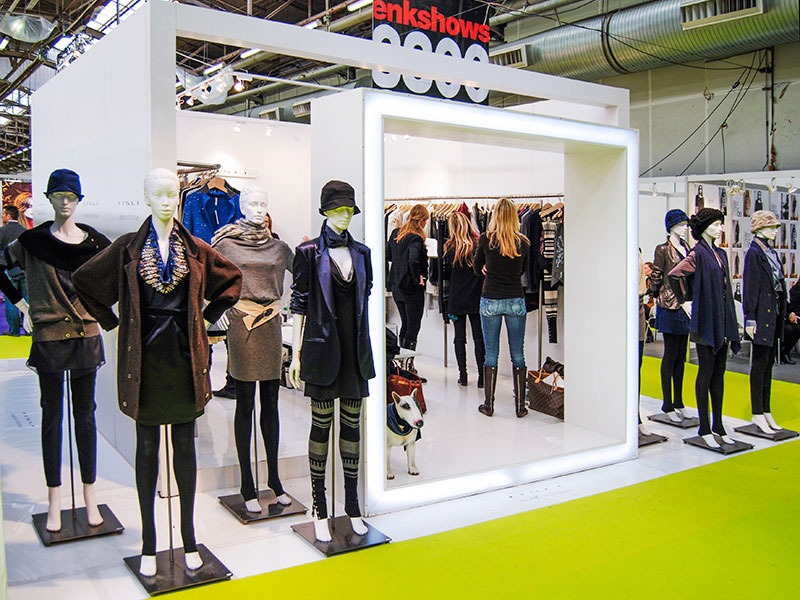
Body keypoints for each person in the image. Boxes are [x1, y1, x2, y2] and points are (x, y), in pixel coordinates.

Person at [73, 168, 242, 577]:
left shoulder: (197, 249)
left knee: (184, 450)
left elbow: (232, 281)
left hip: (184, 359)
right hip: (143, 362)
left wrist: (207, 316)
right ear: (146, 198)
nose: (167, 202)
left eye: (172, 195)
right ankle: (149, 541)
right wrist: (113, 324)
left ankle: (187, 538)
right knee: (147, 450)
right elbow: (84, 282)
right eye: (159, 195)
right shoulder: (128, 248)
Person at [0, 169, 111, 533]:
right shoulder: (31, 242)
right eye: (59, 195)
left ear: (80, 199)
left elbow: (115, 280)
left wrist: (103, 313)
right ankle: (54, 499)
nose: (65, 201)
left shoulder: (96, 244)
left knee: (86, 417)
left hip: (85, 337)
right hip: (49, 337)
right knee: (52, 417)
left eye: (72, 195)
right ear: (47, 198)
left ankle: (91, 494)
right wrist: (23, 305)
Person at [289, 180, 375, 543]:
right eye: (337, 209)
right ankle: (319, 506)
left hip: (354, 353)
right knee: (321, 429)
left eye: (348, 210)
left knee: (352, 429)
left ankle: (352, 505)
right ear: (324, 211)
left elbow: (365, 298)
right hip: (321, 351)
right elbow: (299, 304)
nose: (344, 216)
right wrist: (294, 354)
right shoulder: (307, 252)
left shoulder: (363, 253)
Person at [212, 186, 293, 512]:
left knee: (271, 403)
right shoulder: (226, 244)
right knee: (245, 402)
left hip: (271, 326)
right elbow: (208, 279)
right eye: (252, 203)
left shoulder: (278, 247)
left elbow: (305, 274)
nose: (258, 209)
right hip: (243, 327)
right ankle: (247, 484)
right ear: (241, 206)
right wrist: (222, 310)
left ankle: (274, 479)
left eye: (263, 203)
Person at [668, 208, 740, 449]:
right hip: (705, 320)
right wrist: (685, 301)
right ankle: (704, 426)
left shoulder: (720, 253)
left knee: (719, 373)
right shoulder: (697, 254)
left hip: (721, 318)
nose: (720, 228)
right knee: (706, 371)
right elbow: (674, 275)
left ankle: (718, 425)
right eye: (717, 224)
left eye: (721, 224)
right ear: (706, 226)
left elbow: (726, 286)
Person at [473, 197, 530, 418]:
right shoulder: (523, 242)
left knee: (491, 354)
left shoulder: (486, 240)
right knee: (518, 353)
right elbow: (522, 270)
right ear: (515, 217)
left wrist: (488, 267)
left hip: (491, 299)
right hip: (515, 298)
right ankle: (520, 407)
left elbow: (477, 269)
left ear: (495, 215)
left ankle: (489, 405)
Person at [743, 211, 787, 433]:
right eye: (770, 227)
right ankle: (757, 412)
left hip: (774, 312)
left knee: (769, 363)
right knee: (759, 364)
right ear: (759, 229)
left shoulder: (771, 252)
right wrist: (750, 317)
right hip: (761, 314)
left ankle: (766, 410)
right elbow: (750, 287)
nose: (774, 230)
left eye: (775, 227)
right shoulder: (754, 253)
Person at [650, 209, 691, 423]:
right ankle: (667, 404)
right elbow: (656, 275)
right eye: (681, 224)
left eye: (686, 224)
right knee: (670, 354)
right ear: (671, 227)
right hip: (668, 306)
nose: (685, 228)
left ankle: (679, 401)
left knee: (681, 356)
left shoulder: (688, 249)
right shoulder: (663, 250)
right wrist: (655, 297)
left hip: (686, 308)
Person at [442, 211, 485, 387]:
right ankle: (482, 377)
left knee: (459, 338)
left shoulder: (449, 248)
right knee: (478, 337)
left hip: (456, 298)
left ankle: (463, 375)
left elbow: (444, 275)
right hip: (476, 296)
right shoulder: (477, 245)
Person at [386, 204, 429, 354]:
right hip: (411, 287)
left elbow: (388, 255)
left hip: (397, 284)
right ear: (421, 220)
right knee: (413, 325)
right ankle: (408, 362)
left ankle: (401, 360)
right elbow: (413, 259)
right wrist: (418, 278)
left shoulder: (396, 234)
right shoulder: (415, 238)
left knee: (406, 322)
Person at [0, 204, 28, 335]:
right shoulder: (25, 231)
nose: (2, 215)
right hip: (24, 270)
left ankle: (14, 330)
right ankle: (30, 329)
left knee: (12, 299)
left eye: (4, 213)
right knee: (27, 299)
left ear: (8, 215)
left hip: (7, 270)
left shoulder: (1, 231)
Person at [783, 278, 800, 364]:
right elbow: (792, 307)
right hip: (790, 317)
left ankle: (784, 352)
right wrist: (793, 314)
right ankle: (784, 352)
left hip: (795, 317)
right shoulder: (794, 290)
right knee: (792, 329)